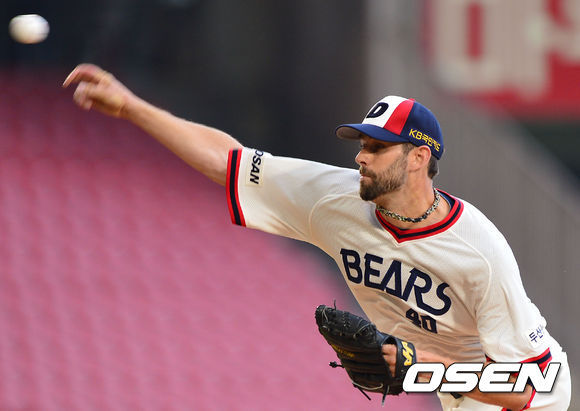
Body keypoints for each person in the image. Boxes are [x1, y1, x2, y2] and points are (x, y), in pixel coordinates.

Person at [63, 63, 571, 411]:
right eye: (362, 144)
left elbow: (533, 383)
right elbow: (229, 162)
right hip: (456, 390)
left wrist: (422, 368)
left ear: (419, 158)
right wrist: (132, 107)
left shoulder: (479, 251)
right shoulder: (335, 199)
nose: (361, 157)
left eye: (377, 147)